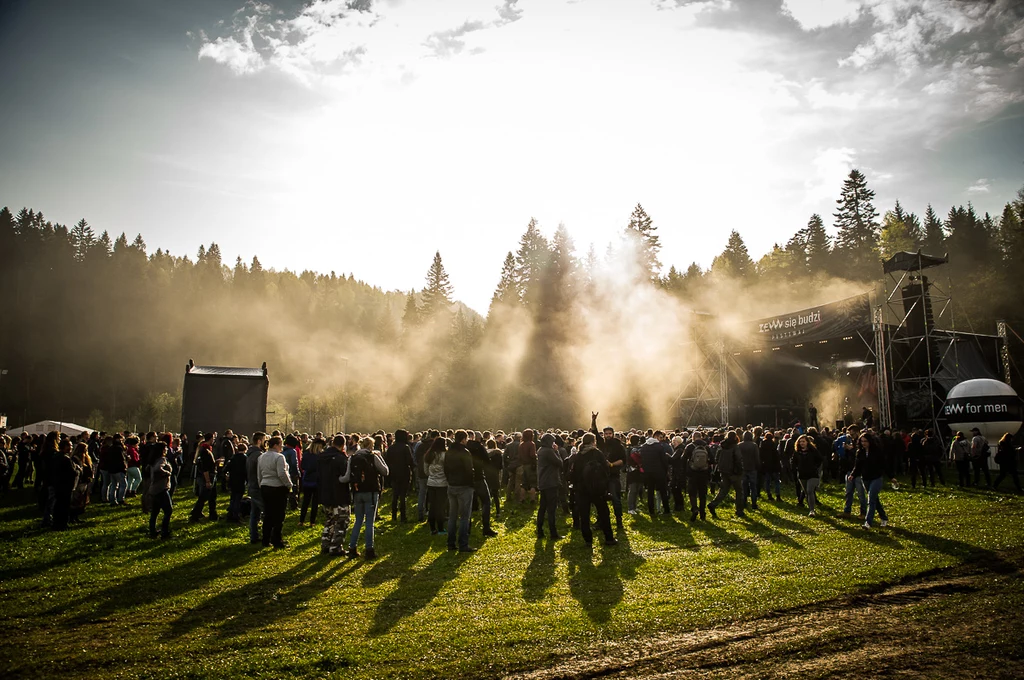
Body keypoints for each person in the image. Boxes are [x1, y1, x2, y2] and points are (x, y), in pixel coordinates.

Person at [342, 436, 389, 559]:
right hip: (371, 490)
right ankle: (369, 549)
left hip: (357, 491)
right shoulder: (373, 457)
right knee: (369, 522)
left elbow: (347, 477)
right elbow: (385, 471)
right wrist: (380, 457)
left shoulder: (352, 458)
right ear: (370, 446)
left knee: (358, 520)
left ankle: (352, 547)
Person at [571, 432, 616, 546]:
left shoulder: (579, 454)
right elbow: (606, 470)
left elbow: (574, 472)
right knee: (604, 513)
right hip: (597, 488)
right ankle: (609, 538)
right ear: (593, 441)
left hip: (582, 489)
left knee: (585, 516)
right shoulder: (597, 453)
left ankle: (588, 540)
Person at [591, 413, 626, 529]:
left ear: (613, 434)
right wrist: (593, 420)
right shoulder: (601, 443)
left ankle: (619, 520)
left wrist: (611, 464)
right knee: (600, 499)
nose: (608, 435)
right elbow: (594, 431)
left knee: (615, 498)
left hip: (613, 476)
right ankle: (601, 521)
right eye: (606, 434)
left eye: (610, 433)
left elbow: (622, 460)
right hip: (601, 476)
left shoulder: (618, 446)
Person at [852, 432, 894, 529]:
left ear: (870, 441)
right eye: (862, 441)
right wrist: (853, 475)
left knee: (871, 499)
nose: (864, 443)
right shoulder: (860, 452)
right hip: (865, 478)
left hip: (876, 478)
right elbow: (857, 466)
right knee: (875, 499)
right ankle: (884, 517)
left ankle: (868, 522)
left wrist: (891, 477)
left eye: (865, 441)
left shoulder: (877, 451)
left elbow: (884, 465)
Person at [258, 435, 293, 549]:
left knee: (268, 514)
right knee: (279, 515)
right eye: (280, 444)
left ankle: (265, 539)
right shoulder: (279, 457)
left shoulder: (262, 457)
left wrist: (261, 484)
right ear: (276, 445)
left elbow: (259, 473)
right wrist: (289, 485)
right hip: (277, 487)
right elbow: (282, 473)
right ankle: (277, 539)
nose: (282, 446)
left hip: (265, 486)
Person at [318, 434, 351, 555]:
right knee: (342, 521)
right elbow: (345, 476)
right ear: (343, 445)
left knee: (330, 520)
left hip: (325, 493)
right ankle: (336, 546)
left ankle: (325, 544)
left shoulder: (322, 457)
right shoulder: (341, 459)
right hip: (339, 494)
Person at [444, 430, 476, 553]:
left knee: (452, 516)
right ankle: (463, 544)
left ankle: (450, 543)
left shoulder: (449, 452)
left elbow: (445, 468)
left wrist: (449, 480)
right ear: (463, 439)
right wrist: (471, 484)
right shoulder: (465, 452)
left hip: (452, 485)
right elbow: (469, 470)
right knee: (464, 516)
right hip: (464, 486)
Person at [707, 431, 744, 519]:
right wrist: (740, 469)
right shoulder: (735, 447)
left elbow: (716, 458)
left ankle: (713, 504)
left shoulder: (721, 446)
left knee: (723, 491)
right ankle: (739, 510)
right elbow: (738, 459)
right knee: (739, 491)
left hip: (723, 471)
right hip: (734, 472)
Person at [467, 431, 497, 537]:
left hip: (467, 478)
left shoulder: (464, 447)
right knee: (486, 502)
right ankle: (486, 528)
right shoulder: (479, 447)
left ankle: (467, 528)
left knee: (468, 504)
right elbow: (487, 460)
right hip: (479, 476)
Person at [536, 433, 563, 539]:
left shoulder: (540, 450)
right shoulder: (549, 451)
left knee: (542, 507)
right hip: (551, 482)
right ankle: (553, 533)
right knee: (551, 509)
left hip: (543, 481)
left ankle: (540, 531)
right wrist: (557, 451)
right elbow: (560, 463)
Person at [385, 430, 415, 523]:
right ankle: (403, 516)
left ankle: (394, 515)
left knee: (395, 495)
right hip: (404, 473)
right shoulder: (405, 447)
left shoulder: (391, 448)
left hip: (393, 473)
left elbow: (387, 460)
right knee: (403, 496)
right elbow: (410, 461)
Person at [640, 432, 672, 516]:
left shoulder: (644, 447)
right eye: (660, 437)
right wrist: (665, 471)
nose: (661, 439)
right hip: (659, 472)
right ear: (656, 437)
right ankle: (666, 510)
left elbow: (642, 460)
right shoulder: (659, 447)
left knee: (650, 492)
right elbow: (664, 460)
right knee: (663, 491)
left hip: (648, 472)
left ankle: (651, 510)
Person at [682, 432, 711, 521]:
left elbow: (683, 459)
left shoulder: (690, 446)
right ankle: (702, 512)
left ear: (693, 438)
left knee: (692, 493)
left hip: (692, 473)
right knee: (703, 494)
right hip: (704, 473)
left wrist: (686, 469)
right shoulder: (706, 446)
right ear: (701, 437)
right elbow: (712, 459)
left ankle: (694, 509)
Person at [793, 434, 824, 517]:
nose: (802, 443)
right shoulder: (797, 452)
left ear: (807, 442)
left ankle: (812, 510)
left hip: (812, 474)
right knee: (806, 492)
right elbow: (794, 462)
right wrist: (797, 468)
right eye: (800, 442)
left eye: (803, 441)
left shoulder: (813, 451)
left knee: (810, 491)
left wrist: (815, 467)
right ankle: (810, 507)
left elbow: (820, 459)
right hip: (802, 474)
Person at [148, 442, 174, 539]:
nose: (167, 449)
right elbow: (157, 469)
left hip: (153, 489)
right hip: (161, 489)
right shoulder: (162, 460)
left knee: (155, 512)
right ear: (162, 450)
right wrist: (167, 473)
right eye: (166, 448)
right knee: (168, 511)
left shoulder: (153, 459)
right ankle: (165, 532)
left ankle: (152, 531)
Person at [190, 433, 218, 521]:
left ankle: (213, 514)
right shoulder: (205, 451)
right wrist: (207, 481)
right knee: (204, 497)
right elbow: (205, 467)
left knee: (212, 496)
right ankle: (195, 515)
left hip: (209, 475)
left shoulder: (203, 449)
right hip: (207, 476)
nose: (213, 440)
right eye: (213, 439)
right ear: (210, 439)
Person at [245, 432, 267, 544]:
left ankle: (254, 536)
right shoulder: (258, 455)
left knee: (255, 513)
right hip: (258, 486)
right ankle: (267, 535)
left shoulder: (249, 453)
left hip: (251, 485)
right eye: (264, 439)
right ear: (259, 441)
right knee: (266, 511)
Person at [425, 437, 449, 535]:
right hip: (442, 483)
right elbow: (447, 469)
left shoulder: (429, 455)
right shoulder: (445, 455)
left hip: (431, 482)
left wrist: (431, 475)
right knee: (441, 506)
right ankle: (440, 528)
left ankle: (432, 528)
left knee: (433, 506)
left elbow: (425, 469)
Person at [298, 437, 323, 527]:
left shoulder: (306, 454)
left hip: (307, 480)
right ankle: (312, 521)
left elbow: (303, 466)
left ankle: (301, 520)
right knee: (314, 503)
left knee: (306, 501)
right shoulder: (320, 455)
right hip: (317, 480)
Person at [226, 437, 249, 524]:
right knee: (238, 499)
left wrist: (227, 475)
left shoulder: (233, 458)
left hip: (232, 480)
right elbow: (246, 470)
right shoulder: (245, 459)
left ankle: (230, 514)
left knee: (233, 498)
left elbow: (226, 468)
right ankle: (235, 516)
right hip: (240, 480)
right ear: (245, 450)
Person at [737, 430, 760, 510]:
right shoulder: (754, 445)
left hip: (743, 468)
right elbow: (757, 457)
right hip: (752, 468)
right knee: (753, 487)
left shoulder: (739, 445)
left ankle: (744, 503)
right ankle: (754, 503)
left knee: (743, 487)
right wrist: (758, 466)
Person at [760, 431, 782, 501]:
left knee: (767, 481)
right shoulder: (774, 444)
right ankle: (778, 495)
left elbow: (761, 455)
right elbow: (777, 455)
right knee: (776, 481)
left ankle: (769, 495)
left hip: (766, 465)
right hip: (775, 465)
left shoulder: (762, 445)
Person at [518, 429, 538, 504]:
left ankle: (522, 499)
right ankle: (532, 499)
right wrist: (536, 456)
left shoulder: (521, 444)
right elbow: (532, 455)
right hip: (530, 465)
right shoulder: (531, 444)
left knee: (524, 483)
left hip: (523, 465)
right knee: (533, 483)